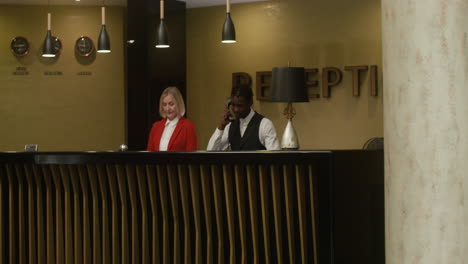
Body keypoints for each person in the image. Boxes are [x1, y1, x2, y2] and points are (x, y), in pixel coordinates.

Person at [207, 84, 280, 151]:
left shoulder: (265, 124)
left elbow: (275, 156)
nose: (235, 109)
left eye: (240, 106)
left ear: (250, 102)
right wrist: (221, 127)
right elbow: (211, 151)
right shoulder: (230, 126)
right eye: (233, 105)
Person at [147, 87, 198, 151]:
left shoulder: (188, 126)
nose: (167, 108)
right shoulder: (156, 126)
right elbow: (149, 154)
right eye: (164, 105)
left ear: (178, 104)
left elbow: (192, 156)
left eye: (171, 104)